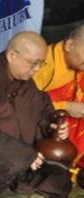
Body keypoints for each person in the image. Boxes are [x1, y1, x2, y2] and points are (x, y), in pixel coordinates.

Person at [0, 31, 72, 198]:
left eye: (41, 64)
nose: (36, 70)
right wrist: (22, 156)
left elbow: (40, 108)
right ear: (12, 55)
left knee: (58, 176)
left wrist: (52, 125)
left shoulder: (24, 78)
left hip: (23, 156)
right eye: (33, 64)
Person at [33, 23, 84, 167]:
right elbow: (26, 104)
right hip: (45, 125)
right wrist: (65, 106)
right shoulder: (43, 65)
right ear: (69, 45)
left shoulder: (78, 63)